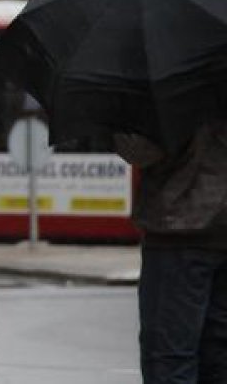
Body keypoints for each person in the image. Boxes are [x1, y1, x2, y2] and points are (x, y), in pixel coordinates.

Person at [112, 121, 227, 383]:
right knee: (219, 356)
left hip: (182, 229)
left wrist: (117, 121)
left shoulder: (178, 84)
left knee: (170, 358)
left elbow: (141, 151)